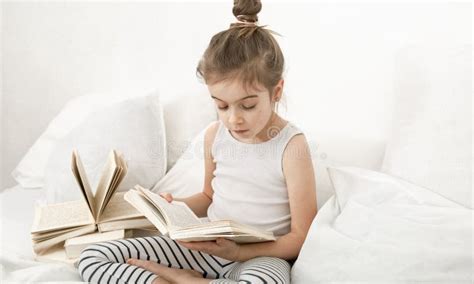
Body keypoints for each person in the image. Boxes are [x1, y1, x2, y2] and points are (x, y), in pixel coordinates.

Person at [77, 0, 317, 283]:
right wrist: (171, 207)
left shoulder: (292, 146)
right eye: (222, 106)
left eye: (248, 106)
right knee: (91, 258)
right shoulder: (215, 135)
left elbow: (301, 237)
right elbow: (207, 198)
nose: (234, 120)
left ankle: (181, 279)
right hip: (208, 248)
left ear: (276, 91)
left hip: (262, 257)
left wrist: (238, 253)